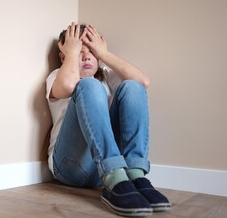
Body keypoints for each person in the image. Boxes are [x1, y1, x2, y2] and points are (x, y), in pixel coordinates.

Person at [45, 22, 171, 217]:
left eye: (91, 51)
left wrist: (103, 53)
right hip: (69, 166)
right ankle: (115, 177)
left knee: (133, 87)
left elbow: (143, 82)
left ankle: (135, 175)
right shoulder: (57, 77)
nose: (86, 56)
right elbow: (69, 85)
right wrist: (71, 54)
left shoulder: (108, 78)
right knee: (89, 85)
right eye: (79, 51)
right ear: (64, 56)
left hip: (104, 171)